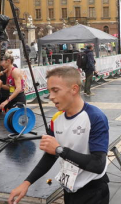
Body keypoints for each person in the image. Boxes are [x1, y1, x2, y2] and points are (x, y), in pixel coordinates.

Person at [8, 66, 109, 204]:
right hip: (69, 190)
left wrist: (59, 150)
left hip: (94, 192)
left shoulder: (95, 117)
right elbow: (50, 156)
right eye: (49, 91)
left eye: (55, 90)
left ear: (74, 89)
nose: (51, 97)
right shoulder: (56, 119)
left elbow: (98, 165)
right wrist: (27, 183)